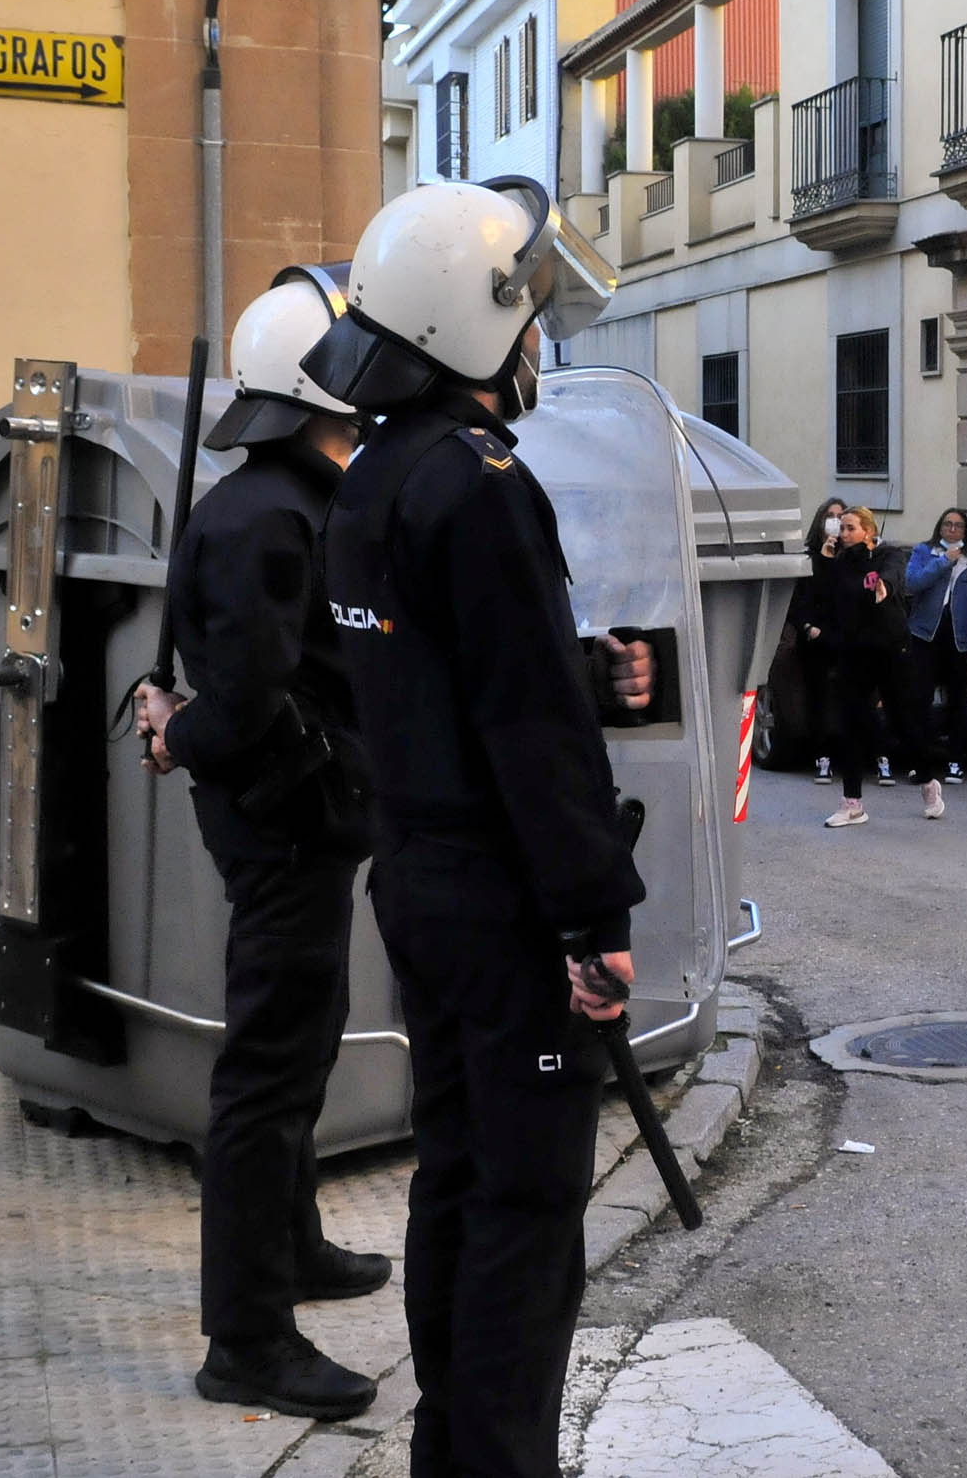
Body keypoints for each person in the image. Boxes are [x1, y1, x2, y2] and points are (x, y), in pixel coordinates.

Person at [299, 176, 654, 1478]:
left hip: (423, 881)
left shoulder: (378, 477)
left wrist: (579, 659)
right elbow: (520, 726)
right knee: (524, 1212)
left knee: (458, 1179)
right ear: (469, 324)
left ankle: (452, 1452)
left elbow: (453, 676)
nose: (538, 338)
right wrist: (591, 918)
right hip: (507, 906)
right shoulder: (482, 481)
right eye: (525, 314)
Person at [132, 281, 385, 1421]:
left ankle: (294, 1250)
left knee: (296, 1049)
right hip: (285, 827)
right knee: (268, 1074)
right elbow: (243, 700)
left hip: (304, 823)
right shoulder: (269, 515)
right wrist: (179, 731)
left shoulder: (288, 499)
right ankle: (246, 1337)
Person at [821, 506, 936, 825]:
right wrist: (825, 560)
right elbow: (828, 595)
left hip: (889, 648)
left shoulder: (889, 554)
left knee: (902, 721)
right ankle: (852, 802)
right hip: (854, 651)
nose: (844, 534)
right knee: (850, 725)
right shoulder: (840, 563)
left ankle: (928, 781)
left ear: (868, 532)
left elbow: (892, 576)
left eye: (850, 528)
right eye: (841, 528)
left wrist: (882, 587)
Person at [905, 508, 967, 788]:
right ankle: (921, 763)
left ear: (965, 531)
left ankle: (955, 760)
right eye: (948, 524)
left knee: (958, 701)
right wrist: (943, 561)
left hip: (961, 639)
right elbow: (913, 583)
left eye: (958, 526)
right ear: (940, 528)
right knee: (920, 700)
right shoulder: (925, 552)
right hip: (925, 634)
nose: (953, 530)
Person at [784, 496, 849, 782]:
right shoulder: (809, 556)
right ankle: (822, 757)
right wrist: (807, 626)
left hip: (844, 635)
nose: (836, 522)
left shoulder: (851, 555)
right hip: (815, 635)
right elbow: (802, 598)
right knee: (819, 696)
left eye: (841, 517)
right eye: (831, 516)